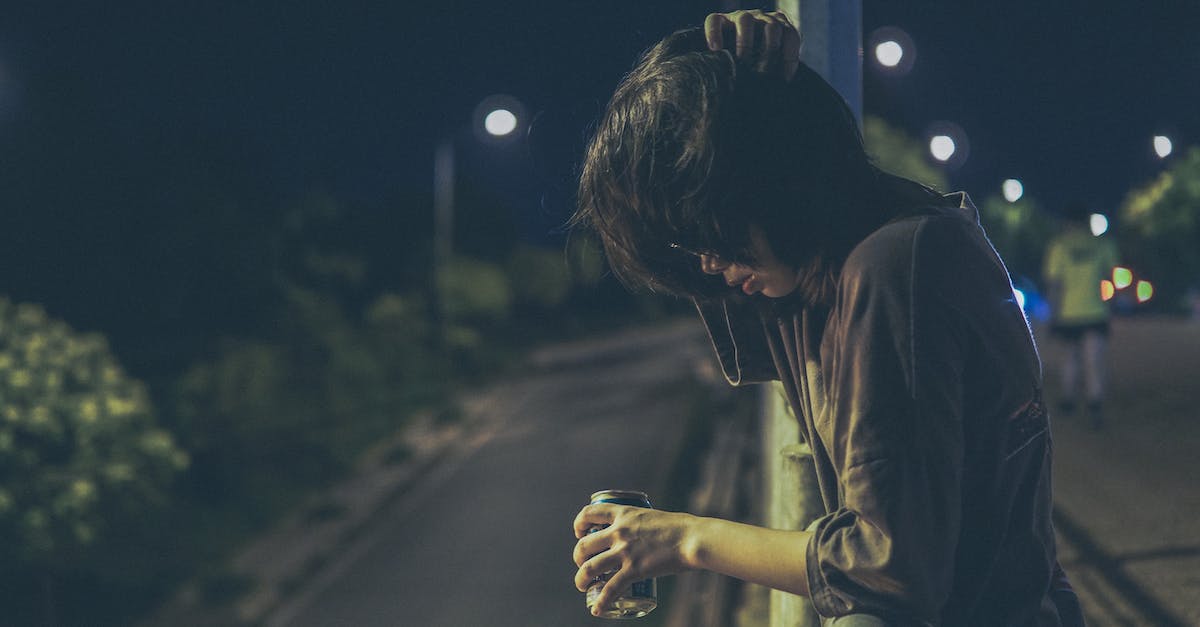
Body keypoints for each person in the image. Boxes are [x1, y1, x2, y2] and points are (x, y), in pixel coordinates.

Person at [569, 10, 1083, 626]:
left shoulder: (893, 268)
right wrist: (739, 71)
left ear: (768, 179)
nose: (707, 262)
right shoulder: (824, 273)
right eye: (688, 243)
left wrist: (684, 539)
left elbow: (885, 566)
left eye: (710, 229)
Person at [1042, 203, 1119, 428]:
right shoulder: (1103, 244)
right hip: (1095, 312)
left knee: (1070, 358)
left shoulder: (1058, 246)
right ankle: (1095, 404)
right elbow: (1111, 277)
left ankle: (1069, 400)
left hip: (1068, 312)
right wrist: (1110, 305)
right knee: (1094, 360)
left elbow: (1054, 284)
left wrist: (1053, 313)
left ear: (1067, 223)